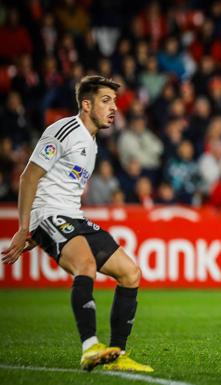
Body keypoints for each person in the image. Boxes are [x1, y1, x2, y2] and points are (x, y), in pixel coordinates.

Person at [1, 75, 153, 373]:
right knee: (85, 264)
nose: (114, 108)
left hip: (72, 216)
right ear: (86, 104)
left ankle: (117, 353)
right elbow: (29, 176)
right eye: (106, 101)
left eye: (115, 102)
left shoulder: (92, 143)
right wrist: (25, 227)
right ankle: (89, 347)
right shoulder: (64, 129)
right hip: (49, 214)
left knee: (130, 272)